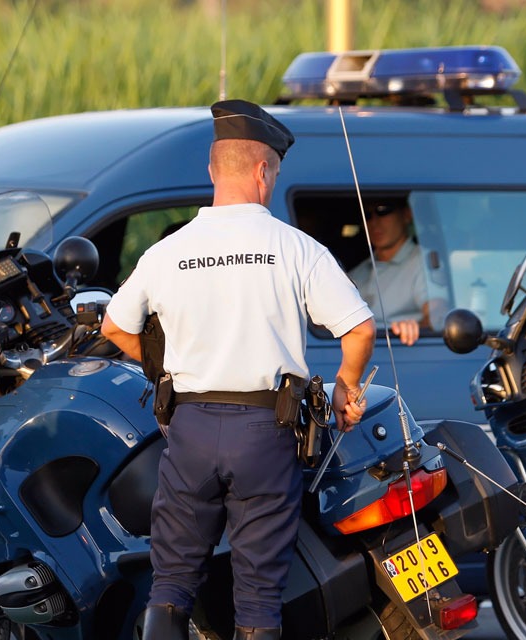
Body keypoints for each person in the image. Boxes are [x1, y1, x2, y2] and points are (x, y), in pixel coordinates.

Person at [101, 99, 376, 639]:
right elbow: (359, 329)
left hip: (190, 430)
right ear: (262, 171)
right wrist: (345, 388)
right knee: (257, 595)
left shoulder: (167, 252)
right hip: (266, 433)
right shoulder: (296, 249)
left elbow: (114, 326)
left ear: (211, 170)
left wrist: (163, 374)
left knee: (171, 584)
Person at [347, 198, 448, 346]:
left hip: (402, 351)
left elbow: (438, 314)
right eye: (367, 215)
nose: (374, 222)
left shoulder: (424, 262)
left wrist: (414, 328)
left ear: (407, 214)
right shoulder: (357, 273)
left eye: (383, 211)